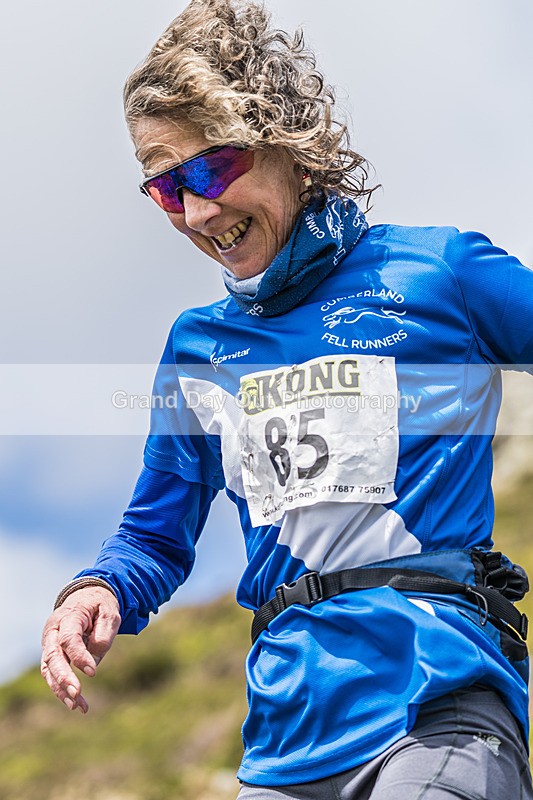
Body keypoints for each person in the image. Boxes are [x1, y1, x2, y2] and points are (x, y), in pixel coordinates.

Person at [41, 1, 533, 797]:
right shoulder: (194, 349)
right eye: (167, 190)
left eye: (208, 169)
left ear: (286, 141)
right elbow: (153, 538)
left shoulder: (439, 272)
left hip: (434, 703)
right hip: (282, 747)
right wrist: (94, 592)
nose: (198, 213)